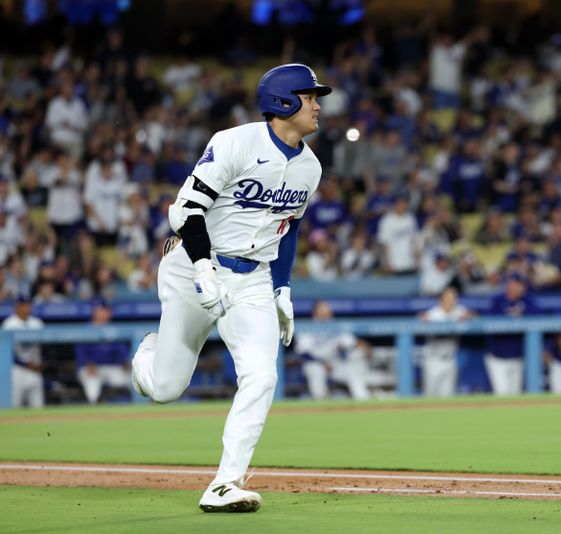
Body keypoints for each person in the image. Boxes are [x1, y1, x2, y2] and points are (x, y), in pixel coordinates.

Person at [130, 64, 331, 513]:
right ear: (283, 102)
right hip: (193, 268)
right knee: (165, 388)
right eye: (310, 96)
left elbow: (289, 229)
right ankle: (148, 355)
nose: (318, 105)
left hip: (254, 278)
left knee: (262, 375)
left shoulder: (310, 167)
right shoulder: (234, 142)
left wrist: (282, 289)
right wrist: (202, 267)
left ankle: (225, 483)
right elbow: (184, 212)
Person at [295, 300, 371, 400]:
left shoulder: (336, 326)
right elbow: (302, 353)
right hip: (315, 363)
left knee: (353, 370)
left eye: (327, 311)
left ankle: (364, 402)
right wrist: (322, 362)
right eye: (322, 311)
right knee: (315, 375)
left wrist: (363, 346)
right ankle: (320, 404)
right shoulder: (306, 328)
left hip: (335, 362)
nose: (326, 314)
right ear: (314, 313)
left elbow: (352, 342)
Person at [419, 286, 475, 397]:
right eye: (449, 297)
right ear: (441, 299)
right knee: (430, 397)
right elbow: (419, 321)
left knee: (448, 398)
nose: (452, 300)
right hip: (433, 361)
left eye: (454, 297)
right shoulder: (433, 314)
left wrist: (468, 316)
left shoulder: (459, 310)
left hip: (450, 360)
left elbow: (475, 317)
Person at [484, 274, 534, 395]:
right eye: (517, 284)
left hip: (517, 357)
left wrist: (522, 315)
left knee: (515, 395)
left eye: (521, 285)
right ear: (509, 285)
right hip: (498, 357)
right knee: (502, 394)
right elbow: (488, 322)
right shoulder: (497, 301)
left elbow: (539, 316)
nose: (520, 287)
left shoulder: (527, 301)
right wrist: (510, 316)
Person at [75, 299, 131, 404]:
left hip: (111, 368)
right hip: (90, 368)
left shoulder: (115, 330)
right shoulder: (85, 329)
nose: (102, 313)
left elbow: (122, 353)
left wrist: (125, 363)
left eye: (105, 310)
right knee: (92, 382)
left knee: (131, 379)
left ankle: (138, 408)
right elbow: (80, 352)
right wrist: (88, 364)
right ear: (94, 312)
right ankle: (94, 409)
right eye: (99, 310)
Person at [2, 295, 45, 408]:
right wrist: (25, 364)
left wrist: (42, 363)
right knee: (14, 406)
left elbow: (45, 346)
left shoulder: (37, 323)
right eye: (23, 305)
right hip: (16, 370)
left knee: (38, 407)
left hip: (35, 369)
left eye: (28, 305)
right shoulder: (8, 325)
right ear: (16, 307)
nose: (26, 308)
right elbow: (6, 353)